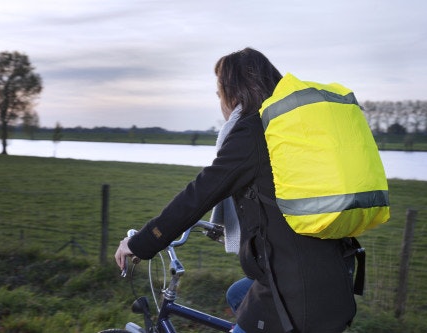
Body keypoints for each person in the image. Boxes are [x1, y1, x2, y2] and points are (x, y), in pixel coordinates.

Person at [115, 47, 357, 333]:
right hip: (332, 271)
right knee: (238, 295)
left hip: (296, 291)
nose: (220, 103)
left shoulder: (255, 132)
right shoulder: (287, 133)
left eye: (219, 95)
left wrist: (142, 242)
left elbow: (201, 193)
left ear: (235, 92)